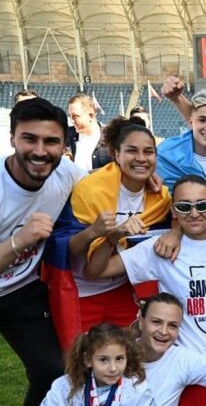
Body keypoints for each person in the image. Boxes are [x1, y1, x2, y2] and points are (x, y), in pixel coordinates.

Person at [85, 174, 206, 405]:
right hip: (192, 372)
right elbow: (96, 270)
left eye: (202, 205)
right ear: (174, 211)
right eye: (184, 206)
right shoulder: (159, 248)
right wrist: (113, 237)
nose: (194, 213)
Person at [46, 119, 171, 351]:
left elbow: (183, 216)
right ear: (116, 154)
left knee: (127, 358)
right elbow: (67, 249)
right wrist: (95, 232)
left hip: (122, 288)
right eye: (132, 151)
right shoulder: (89, 190)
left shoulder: (161, 197)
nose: (141, 158)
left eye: (148, 152)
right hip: (81, 291)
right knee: (81, 360)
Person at [1, 97, 88, 405]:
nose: (40, 151)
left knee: (53, 373)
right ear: (12, 138)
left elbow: (106, 186)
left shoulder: (67, 173)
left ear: (64, 145)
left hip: (20, 290)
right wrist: (20, 241)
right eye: (30, 139)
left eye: (51, 141)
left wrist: (143, 178)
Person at [41, 323, 154, 405]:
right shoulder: (65, 387)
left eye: (119, 358)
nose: (113, 368)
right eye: (104, 360)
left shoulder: (136, 389)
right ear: (88, 360)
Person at [67, 93, 111, 171]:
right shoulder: (66, 136)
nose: (71, 120)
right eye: (70, 116)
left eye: (75, 116)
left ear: (91, 115)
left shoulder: (110, 138)